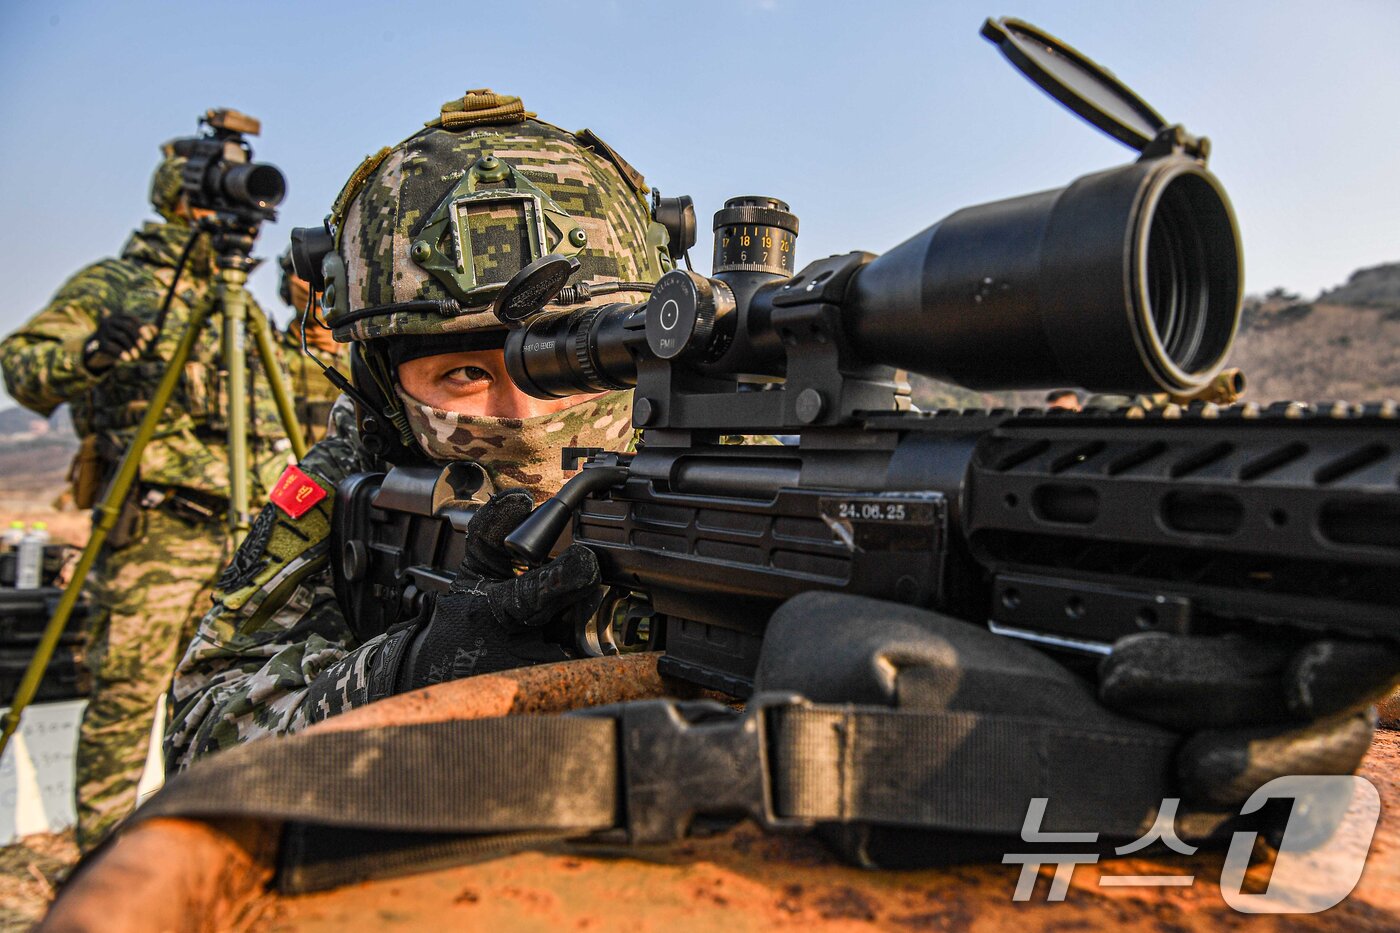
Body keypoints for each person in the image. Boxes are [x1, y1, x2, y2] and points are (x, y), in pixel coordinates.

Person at [166, 90, 672, 769]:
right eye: (464, 373)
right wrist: (402, 676)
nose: (525, 416)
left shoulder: (730, 463)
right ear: (383, 381)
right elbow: (199, 730)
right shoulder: (354, 473)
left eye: (571, 361)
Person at [0, 138, 293, 849]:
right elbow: (21, 365)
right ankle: (107, 859)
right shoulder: (121, 284)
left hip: (246, 532)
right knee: (128, 701)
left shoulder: (238, 303)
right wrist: (91, 352)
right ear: (184, 201)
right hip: (158, 531)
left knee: (231, 690)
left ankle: (204, 842)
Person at [277, 250, 349, 444]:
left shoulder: (364, 360)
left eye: (322, 276)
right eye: (303, 276)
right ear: (287, 285)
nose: (313, 287)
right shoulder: (267, 354)